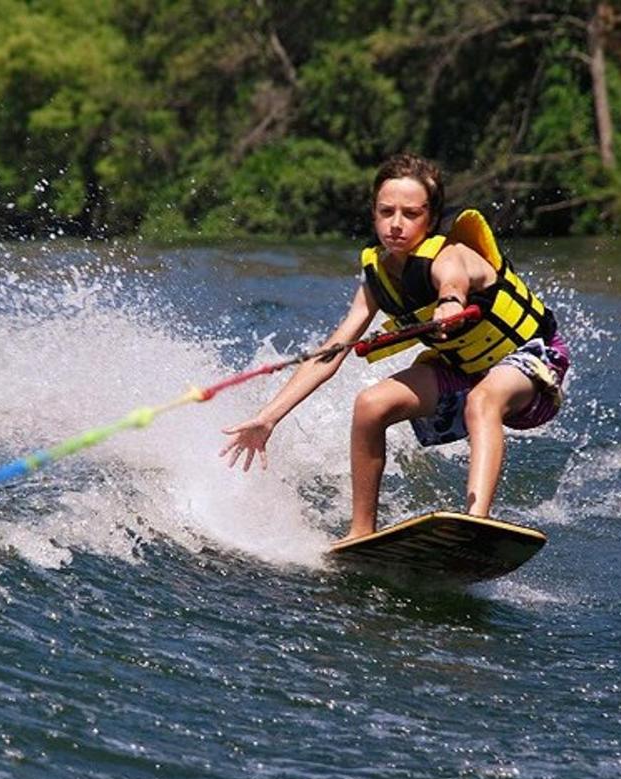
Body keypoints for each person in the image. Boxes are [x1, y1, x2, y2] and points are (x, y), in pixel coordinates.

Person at [220, 153, 569, 541]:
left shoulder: (450, 256)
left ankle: (476, 522)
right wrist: (269, 417)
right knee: (371, 405)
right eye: (386, 212)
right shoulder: (378, 277)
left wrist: (448, 307)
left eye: (411, 213)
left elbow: (452, 286)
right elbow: (333, 350)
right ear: (373, 214)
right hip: (464, 369)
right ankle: (360, 531)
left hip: (532, 364)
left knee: (482, 399)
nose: (397, 224)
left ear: (431, 218)